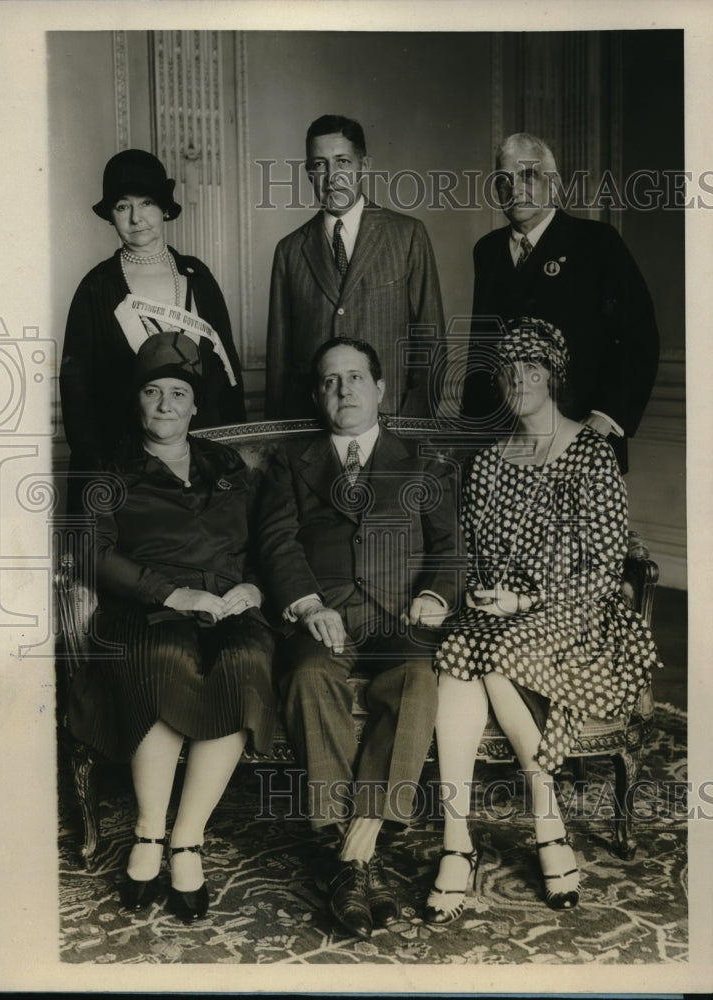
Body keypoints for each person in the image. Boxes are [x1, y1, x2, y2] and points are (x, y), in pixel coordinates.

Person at [427, 318, 661, 924]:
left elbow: (606, 563)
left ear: (553, 377)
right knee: (460, 652)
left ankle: (538, 821)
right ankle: (461, 841)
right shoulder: (486, 464)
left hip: (580, 614)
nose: (520, 380)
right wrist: (489, 594)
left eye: (533, 369)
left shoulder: (591, 453)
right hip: (501, 616)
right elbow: (475, 554)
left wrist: (526, 604)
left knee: (487, 656)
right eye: (510, 370)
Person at [68, 331, 276, 923]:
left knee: (248, 662)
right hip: (147, 606)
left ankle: (187, 837)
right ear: (137, 401)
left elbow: (268, 540)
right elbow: (91, 552)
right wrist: (171, 592)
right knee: (164, 656)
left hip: (229, 607)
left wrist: (255, 587)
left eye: (178, 393)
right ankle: (148, 831)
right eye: (153, 392)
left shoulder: (228, 464)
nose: (165, 405)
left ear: (194, 402)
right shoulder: (109, 468)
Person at [257, 337, 460, 940]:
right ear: (319, 395)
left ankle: (354, 850)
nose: (343, 390)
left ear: (379, 389)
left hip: (400, 619)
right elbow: (275, 541)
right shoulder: (290, 461)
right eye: (329, 381)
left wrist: (435, 596)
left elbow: (450, 548)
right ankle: (358, 857)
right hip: (324, 617)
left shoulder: (423, 460)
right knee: (307, 674)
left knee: (417, 682)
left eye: (354, 377)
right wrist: (308, 602)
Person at [462, 132, 659, 472]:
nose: (516, 189)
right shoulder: (488, 250)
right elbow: (482, 346)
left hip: (580, 437)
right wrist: (470, 437)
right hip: (504, 443)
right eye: (504, 180)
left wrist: (606, 416)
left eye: (528, 175)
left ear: (552, 184)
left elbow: (639, 337)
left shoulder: (596, 242)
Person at [60, 148, 245, 511]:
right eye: (122, 206)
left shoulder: (198, 276)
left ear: (164, 208)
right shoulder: (97, 287)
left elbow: (229, 370)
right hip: (129, 469)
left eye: (146, 203)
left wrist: (234, 449)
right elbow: (77, 394)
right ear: (111, 216)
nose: (136, 218)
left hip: (204, 455)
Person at [265, 114, 445, 421]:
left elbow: (431, 339)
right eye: (319, 164)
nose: (332, 176)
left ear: (365, 165)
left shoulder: (407, 234)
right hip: (312, 426)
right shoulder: (290, 250)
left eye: (342, 162)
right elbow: (279, 362)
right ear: (309, 172)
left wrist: (413, 424)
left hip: (392, 421)